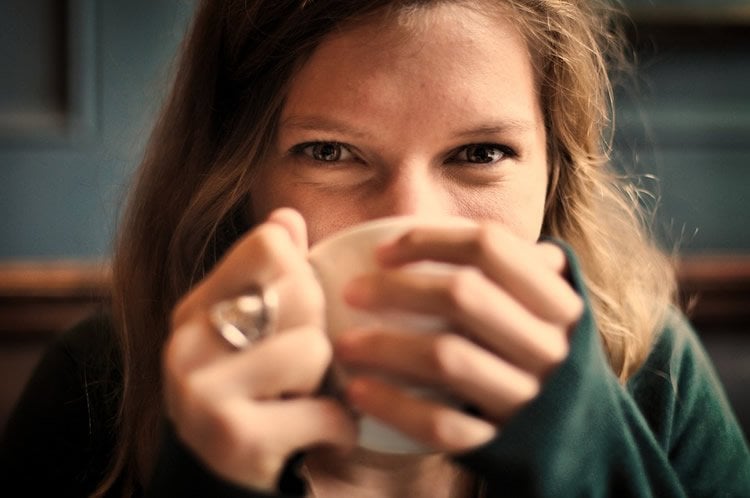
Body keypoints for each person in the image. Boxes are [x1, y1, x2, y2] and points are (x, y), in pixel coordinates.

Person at [1, 0, 748, 496]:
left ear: (555, 172)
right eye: (329, 152)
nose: (412, 224)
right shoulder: (98, 386)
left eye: (481, 153)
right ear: (237, 177)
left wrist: (589, 464)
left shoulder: (653, 377)